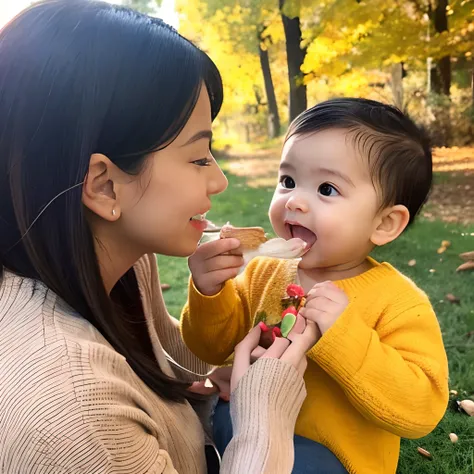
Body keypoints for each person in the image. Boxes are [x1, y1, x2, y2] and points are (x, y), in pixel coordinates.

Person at [0, 1, 319, 472]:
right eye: (198, 157)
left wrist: (225, 365)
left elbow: (166, 351)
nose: (219, 182)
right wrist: (262, 419)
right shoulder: (74, 421)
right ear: (105, 184)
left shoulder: (120, 255)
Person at [181, 98, 450, 473]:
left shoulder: (398, 302)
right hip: (244, 430)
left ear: (385, 223)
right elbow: (210, 347)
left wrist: (345, 337)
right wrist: (210, 294)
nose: (295, 201)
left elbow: (421, 409)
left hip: (330, 461)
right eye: (288, 181)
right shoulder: (264, 272)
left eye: (326, 189)